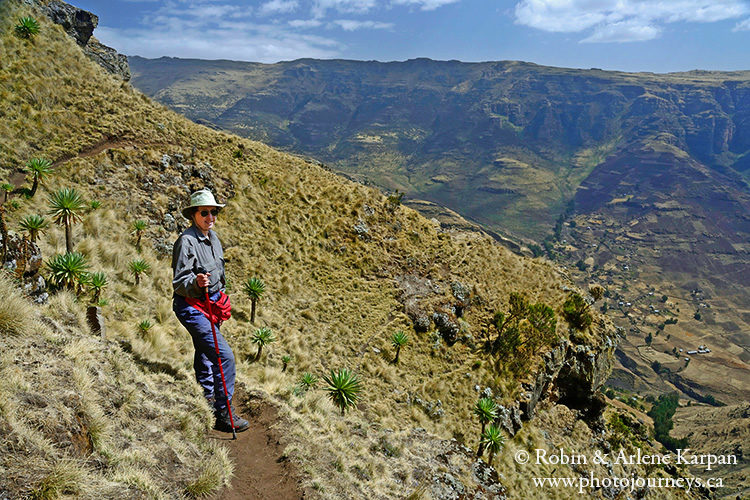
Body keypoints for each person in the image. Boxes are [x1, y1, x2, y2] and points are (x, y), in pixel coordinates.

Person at [172, 188, 249, 433]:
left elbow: (219, 274)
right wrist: (196, 283)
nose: (210, 217)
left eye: (213, 212)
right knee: (224, 356)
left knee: (206, 353)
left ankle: (207, 398)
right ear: (194, 214)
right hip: (192, 306)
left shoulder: (213, 239)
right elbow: (179, 282)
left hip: (211, 305)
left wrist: (220, 295)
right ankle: (225, 413)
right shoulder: (187, 242)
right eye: (204, 212)